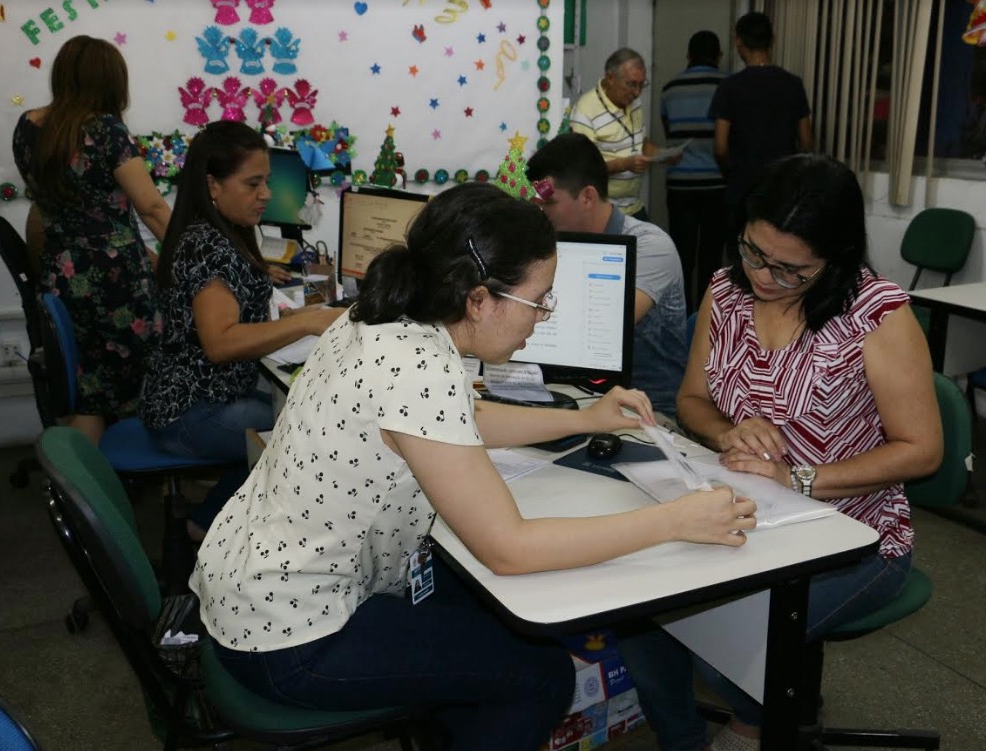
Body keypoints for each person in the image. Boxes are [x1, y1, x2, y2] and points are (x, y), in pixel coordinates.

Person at [189, 182, 756, 751]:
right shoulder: (417, 368)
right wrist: (676, 521)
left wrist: (586, 420)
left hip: (249, 586)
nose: (543, 317)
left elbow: (462, 418)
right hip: (290, 638)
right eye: (540, 301)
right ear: (479, 298)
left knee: (488, 618)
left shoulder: (380, 313)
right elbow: (510, 549)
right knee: (540, 675)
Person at [615, 154, 943, 751]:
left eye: (792, 270)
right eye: (753, 252)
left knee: (720, 652)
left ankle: (751, 723)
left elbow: (922, 452)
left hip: (857, 539)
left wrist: (798, 479)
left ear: (835, 259)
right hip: (744, 519)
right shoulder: (725, 290)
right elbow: (691, 400)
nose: (764, 277)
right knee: (635, 612)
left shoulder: (878, 314)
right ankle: (684, 739)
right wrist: (726, 432)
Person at [139, 120, 342, 468]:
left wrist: (294, 318)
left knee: (304, 411)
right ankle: (213, 520)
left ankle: (207, 520)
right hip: (192, 412)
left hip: (199, 398)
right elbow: (221, 343)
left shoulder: (219, 233)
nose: (267, 194)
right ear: (213, 186)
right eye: (253, 184)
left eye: (266, 181)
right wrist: (309, 321)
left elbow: (235, 317)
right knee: (317, 434)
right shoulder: (208, 247)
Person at [12, 35, 171, 445]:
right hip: (114, 281)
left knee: (87, 392)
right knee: (153, 371)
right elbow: (150, 207)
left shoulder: (28, 126)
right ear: (110, 81)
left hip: (61, 275)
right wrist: (193, 252)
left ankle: (91, 494)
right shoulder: (105, 129)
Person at [526, 132, 688, 422]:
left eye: (548, 203)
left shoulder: (650, 246)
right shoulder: (551, 242)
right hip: (570, 396)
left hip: (646, 409)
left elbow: (600, 331)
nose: (539, 211)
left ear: (587, 196)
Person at [709, 12, 814, 250]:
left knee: (741, 257)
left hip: (742, 187)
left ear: (738, 41)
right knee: (778, 256)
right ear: (773, 39)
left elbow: (720, 147)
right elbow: (807, 143)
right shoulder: (793, 84)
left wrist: (731, 172)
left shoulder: (730, 87)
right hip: (784, 188)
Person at [660, 30, 728, 311]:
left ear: (688, 56)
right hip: (716, 183)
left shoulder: (669, 89)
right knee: (712, 257)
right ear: (719, 56)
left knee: (683, 255)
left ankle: (683, 313)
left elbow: (669, 134)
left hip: (680, 185)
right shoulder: (728, 85)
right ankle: (706, 316)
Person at [569, 48, 665, 221]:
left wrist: (663, 155)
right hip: (603, 211)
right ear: (610, 78)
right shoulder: (585, 110)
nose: (637, 92)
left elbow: (639, 142)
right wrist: (624, 164)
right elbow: (582, 169)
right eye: (631, 84)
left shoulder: (634, 103)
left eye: (642, 85)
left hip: (634, 206)